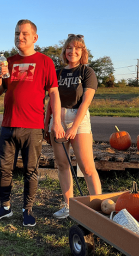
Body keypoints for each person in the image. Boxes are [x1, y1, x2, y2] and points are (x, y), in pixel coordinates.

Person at [0, 19, 65, 227]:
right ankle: (4, 208)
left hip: (33, 127)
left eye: (24, 34)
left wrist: (56, 122)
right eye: (16, 34)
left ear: (35, 38)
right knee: (4, 169)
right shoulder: (8, 62)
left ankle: (27, 210)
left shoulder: (45, 62)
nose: (19, 38)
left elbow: (54, 94)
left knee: (30, 170)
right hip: (8, 125)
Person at [44, 34, 102, 219]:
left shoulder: (87, 72)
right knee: (62, 164)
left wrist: (74, 127)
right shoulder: (57, 72)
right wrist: (48, 124)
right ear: (65, 51)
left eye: (77, 48)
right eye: (69, 48)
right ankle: (68, 205)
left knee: (87, 167)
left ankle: (98, 208)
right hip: (58, 119)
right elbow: (51, 100)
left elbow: (86, 102)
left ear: (83, 51)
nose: (73, 51)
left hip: (79, 118)